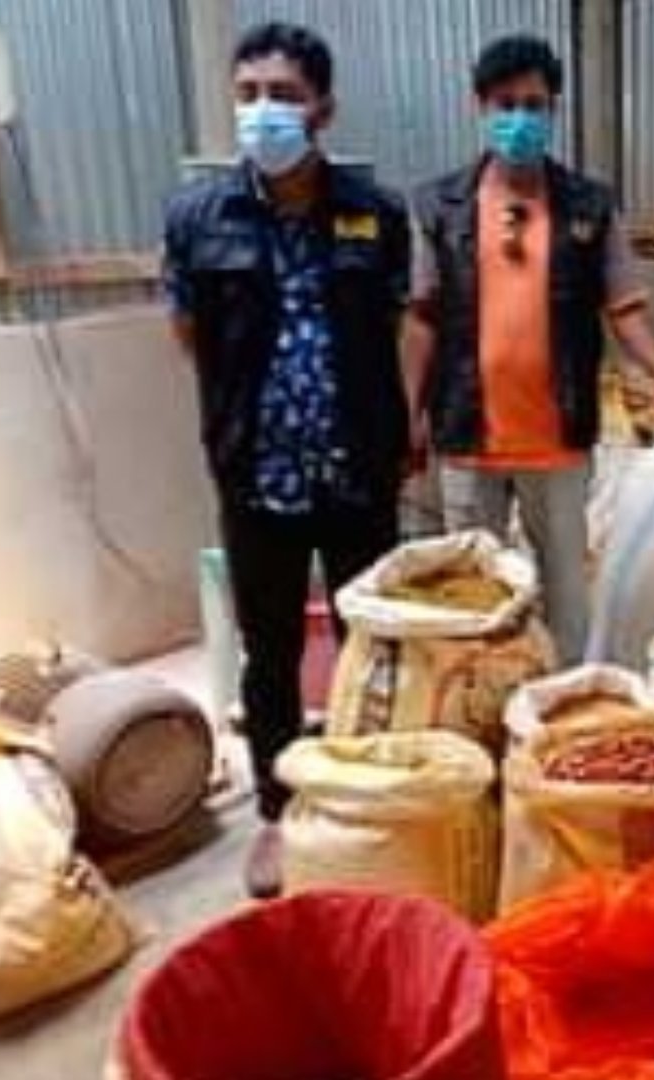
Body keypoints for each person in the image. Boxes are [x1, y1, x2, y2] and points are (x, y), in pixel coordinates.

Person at [161, 23, 411, 899]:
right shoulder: (198, 216)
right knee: (267, 652)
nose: (263, 111)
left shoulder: (375, 212)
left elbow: (389, 327)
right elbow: (187, 332)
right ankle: (277, 811)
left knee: (368, 643)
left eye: (284, 95)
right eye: (249, 94)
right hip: (256, 474)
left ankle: (369, 798)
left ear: (323, 109)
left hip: (356, 470)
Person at [401, 34, 654, 665]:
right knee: (473, 596)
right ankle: (484, 703)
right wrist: (411, 412)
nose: (520, 119)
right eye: (506, 104)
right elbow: (423, 317)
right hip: (467, 434)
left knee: (566, 592)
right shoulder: (437, 206)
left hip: (558, 437)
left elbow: (625, 307)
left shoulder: (590, 206)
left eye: (534, 105)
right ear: (481, 106)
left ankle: (564, 704)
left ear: (554, 108)